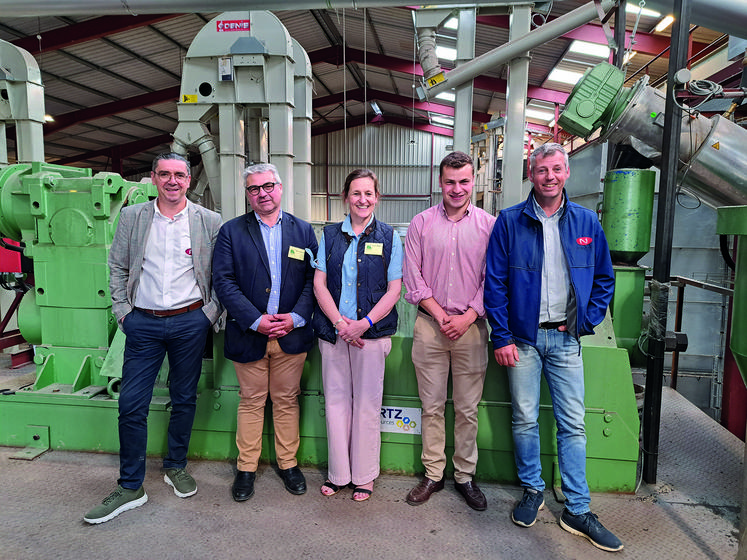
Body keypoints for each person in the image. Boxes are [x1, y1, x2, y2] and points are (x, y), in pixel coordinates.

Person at [484, 143, 622, 552]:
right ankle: (532, 490)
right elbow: (494, 283)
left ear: (566, 173)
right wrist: (503, 336)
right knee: (525, 419)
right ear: (531, 173)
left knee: (573, 425)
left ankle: (577, 509)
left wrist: (585, 321)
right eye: (542, 169)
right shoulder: (509, 222)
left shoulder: (585, 222)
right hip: (522, 341)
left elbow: (604, 280)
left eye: (557, 169)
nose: (550, 176)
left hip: (565, 340)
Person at [84, 152, 223, 524]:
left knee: (183, 398)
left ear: (189, 181)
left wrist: (208, 316)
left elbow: (221, 274)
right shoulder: (133, 217)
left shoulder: (209, 221)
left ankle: (176, 465)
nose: (173, 181)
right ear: (153, 178)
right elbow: (116, 266)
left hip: (190, 322)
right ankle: (130, 485)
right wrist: (123, 313)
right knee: (131, 403)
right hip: (142, 323)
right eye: (165, 174)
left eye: (179, 175)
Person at [212, 162, 317, 502]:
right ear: (248, 194)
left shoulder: (303, 231)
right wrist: (255, 319)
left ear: (280, 187)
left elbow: (311, 282)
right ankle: (247, 468)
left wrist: (297, 317)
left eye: (268, 186)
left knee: (287, 401)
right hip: (250, 332)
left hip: (292, 334)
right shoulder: (232, 232)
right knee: (252, 402)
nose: (263, 194)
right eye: (254, 189)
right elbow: (223, 281)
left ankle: (288, 464)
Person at [403, 151, 496, 511]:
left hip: (471, 329)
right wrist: (442, 315)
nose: (457, 188)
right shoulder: (421, 224)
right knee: (432, 407)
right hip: (430, 327)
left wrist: (469, 316)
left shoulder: (489, 225)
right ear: (440, 183)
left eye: (464, 181)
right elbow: (413, 276)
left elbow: (494, 279)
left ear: (474, 182)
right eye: (450, 182)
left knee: (468, 409)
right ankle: (433, 474)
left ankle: (465, 477)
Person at [313, 169, 403, 502]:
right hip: (334, 333)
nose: (362, 200)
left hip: (371, 335)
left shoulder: (390, 237)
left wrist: (363, 324)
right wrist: (340, 323)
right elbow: (319, 284)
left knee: (367, 405)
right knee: (336, 404)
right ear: (345, 197)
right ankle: (338, 474)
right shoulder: (330, 235)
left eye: (368, 193)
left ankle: (364, 476)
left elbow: (395, 289)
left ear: (377, 197)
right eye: (355, 193)